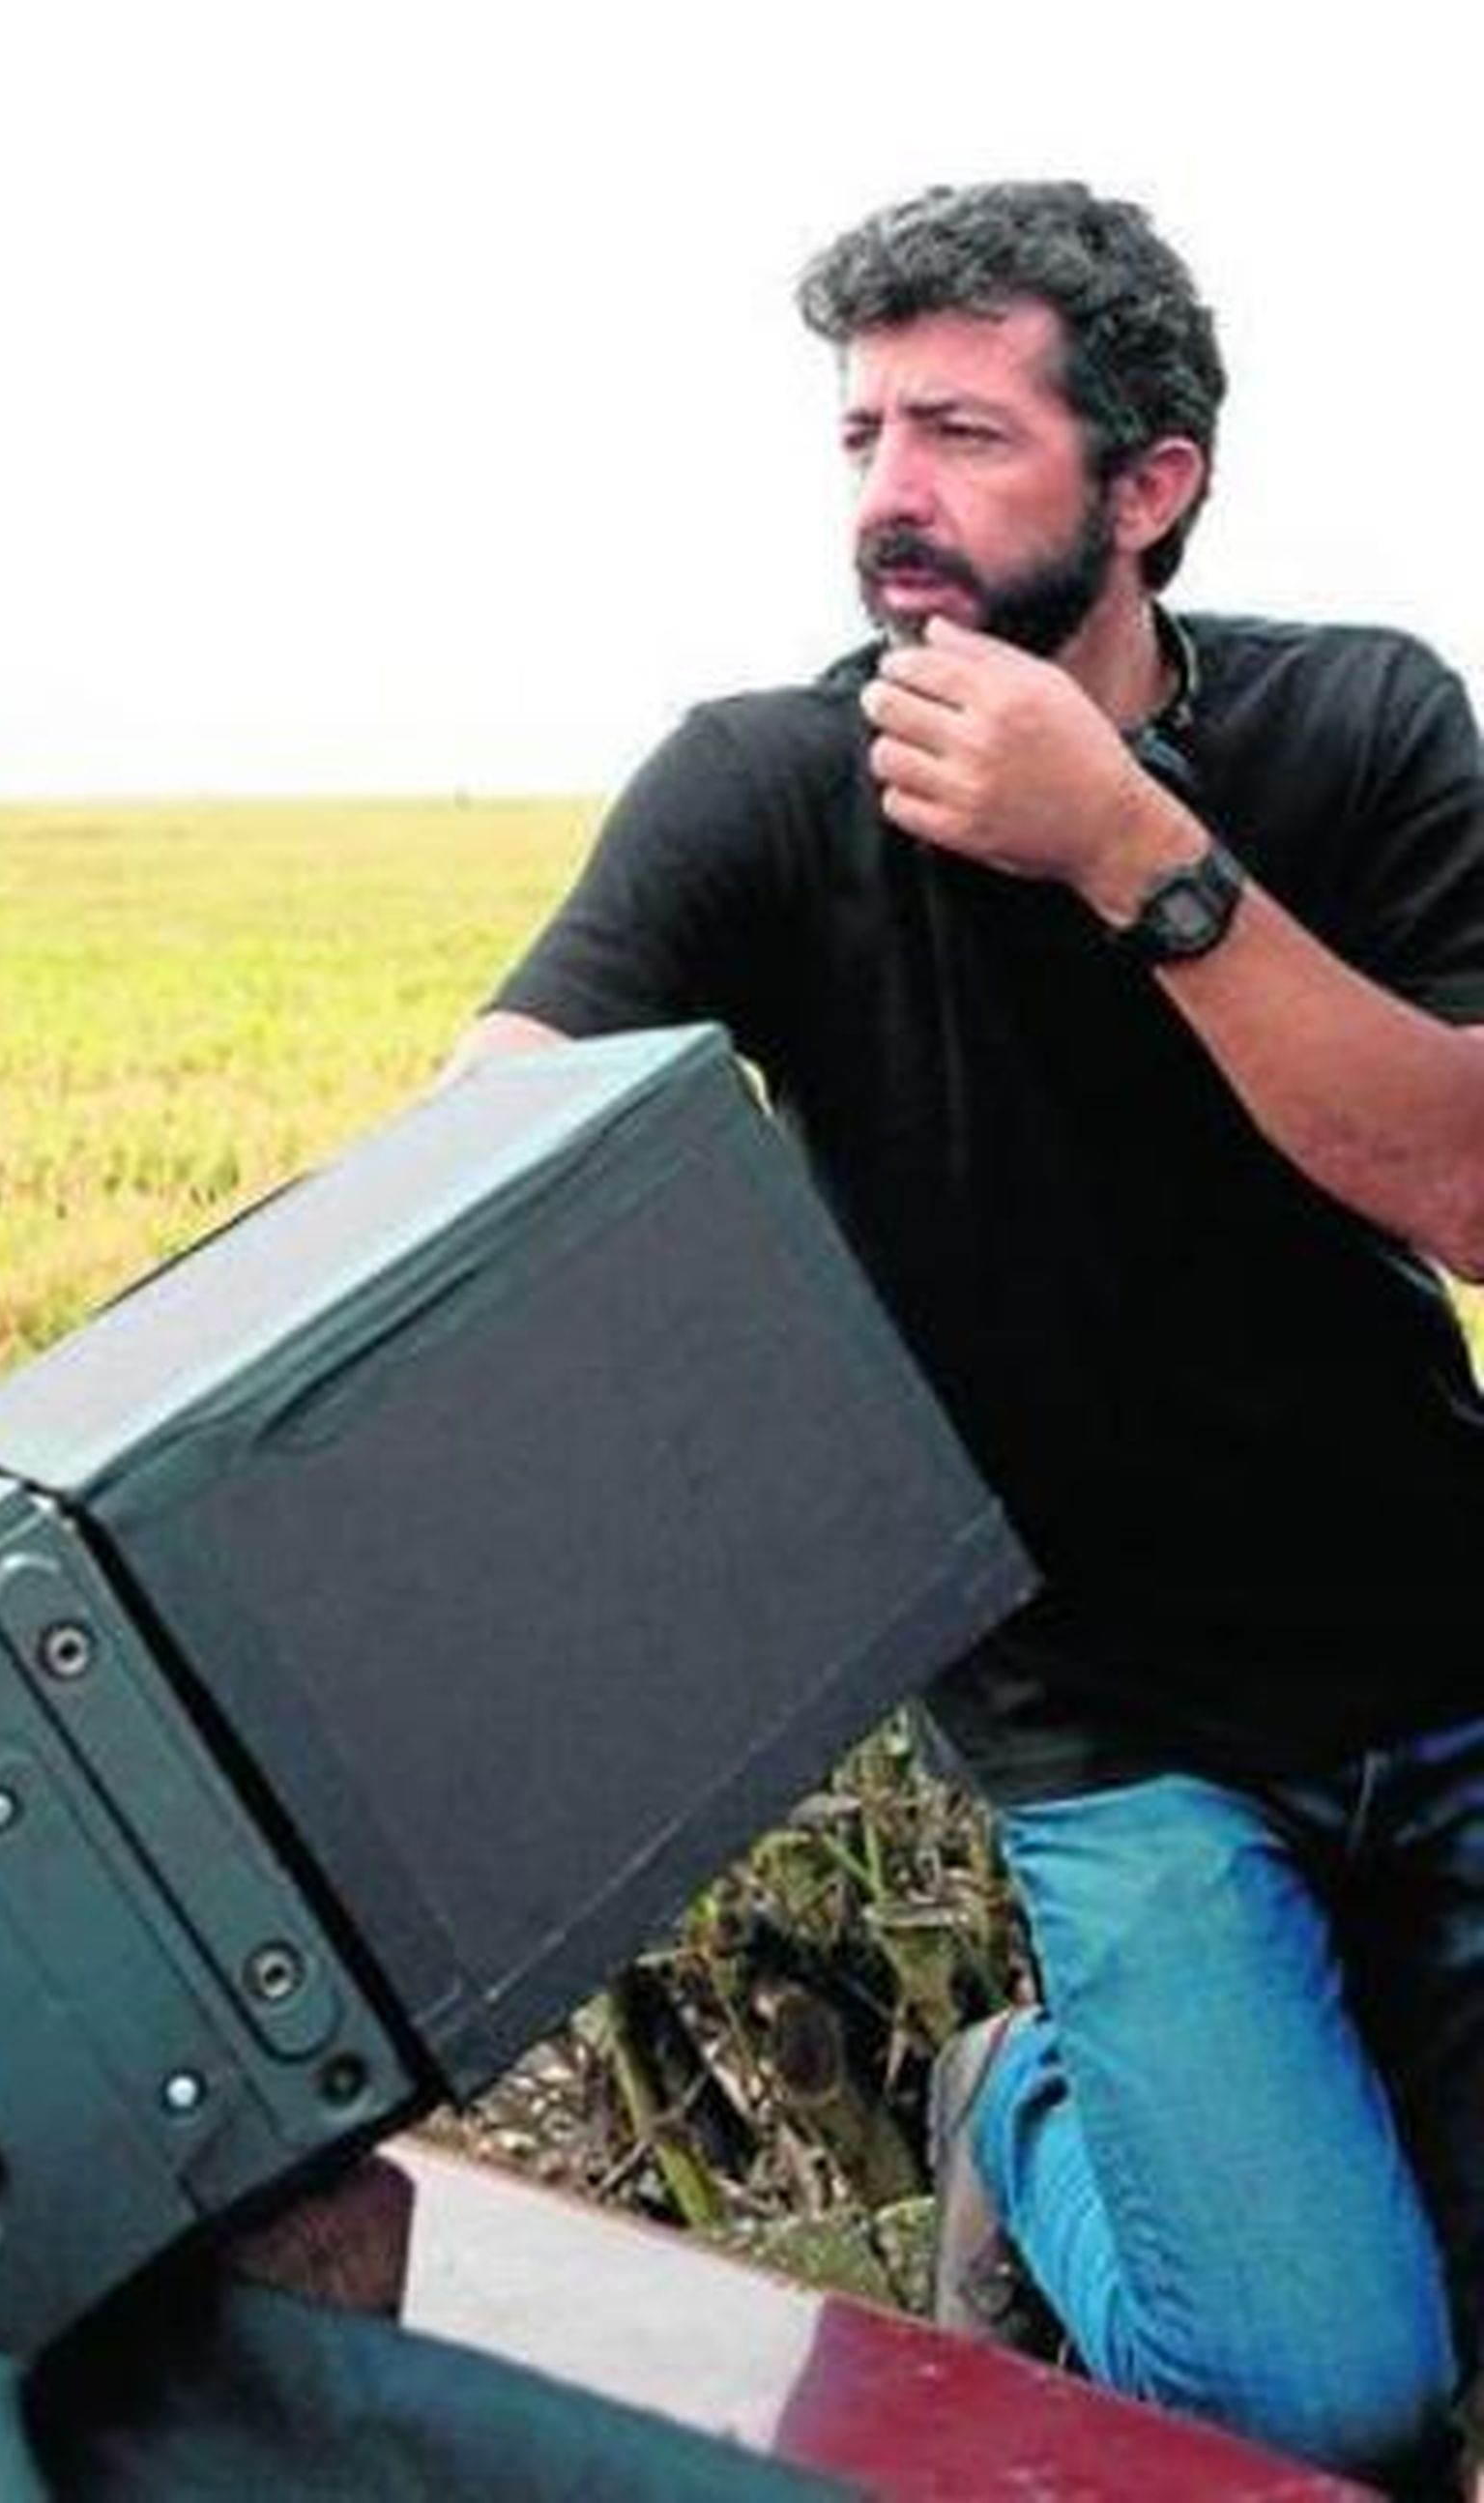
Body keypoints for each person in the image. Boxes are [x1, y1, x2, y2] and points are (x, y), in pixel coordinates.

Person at [456, 182, 1484, 2493]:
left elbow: (1464, 1184)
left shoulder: (1361, 723)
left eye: (960, 431)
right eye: (857, 437)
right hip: (1107, 1728)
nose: (887, 497)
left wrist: (1126, 847)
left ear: (1150, 486)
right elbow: (479, 1163)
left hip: (1443, 1652)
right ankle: (1013, 2098)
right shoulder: (760, 784)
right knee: (1329, 2402)